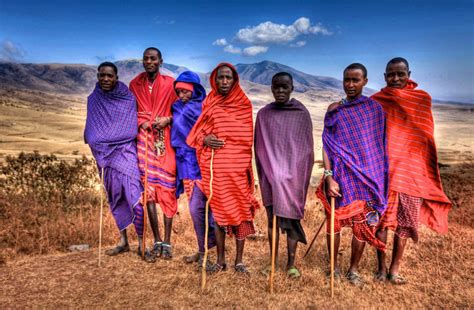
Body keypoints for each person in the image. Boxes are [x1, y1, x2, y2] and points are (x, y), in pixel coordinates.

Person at [371, 57, 451, 284]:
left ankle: (395, 269)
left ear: (409, 74)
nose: (395, 79)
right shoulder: (377, 100)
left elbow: (424, 136)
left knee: (405, 223)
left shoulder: (422, 99)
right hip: (384, 172)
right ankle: (381, 268)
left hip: (411, 172)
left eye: (400, 74)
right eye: (390, 74)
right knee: (382, 221)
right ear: (384, 76)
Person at [316, 63, 388, 286]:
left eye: (355, 80)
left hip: (366, 178)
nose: (350, 84)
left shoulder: (374, 110)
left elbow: (378, 146)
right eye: (346, 79)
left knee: (362, 223)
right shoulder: (334, 109)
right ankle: (333, 268)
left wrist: (377, 177)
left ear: (365, 81)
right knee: (334, 222)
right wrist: (329, 177)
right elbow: (326, 145)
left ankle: (353, 269)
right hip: (339, 176)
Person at [187, 63, 260, 274]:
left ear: (234, 79)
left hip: (237, 167)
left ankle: (239, 261)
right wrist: (205, 139)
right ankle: (220, 260)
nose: (225, 81)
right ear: (214, 80)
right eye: (221, 78)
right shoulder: (209, 102)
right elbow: (198, 133)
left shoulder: (243, 104)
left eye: (228, 77)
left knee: (241, 212)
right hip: (215, 168)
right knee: (219, 212)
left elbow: (246, 138)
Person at [84, 62, 150, 260]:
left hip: (125, 153)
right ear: (98, 76)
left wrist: (106, 138)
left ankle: (142, 243)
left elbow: (129, 129)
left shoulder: (126, 97)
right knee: (115, 198)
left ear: (116, 77)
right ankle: (123, 241)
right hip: (104, 157)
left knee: (135, 198)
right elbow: (91, 130)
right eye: (102, 75)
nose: (105, 79)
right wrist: (97, 141)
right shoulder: (93, 99)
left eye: (109, 76)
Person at [254, 72, 314, 279]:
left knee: (291, 222)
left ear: (292, 88)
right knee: (272, 220)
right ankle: (272, 262)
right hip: (271, 177)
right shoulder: (263, 115)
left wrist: (290, 174)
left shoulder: (301, 113)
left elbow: (305, 150)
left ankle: (290, 264)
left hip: (293, 178)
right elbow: (261, 150)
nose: (280, 91)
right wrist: (273, 174)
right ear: (271, 88)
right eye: (276, 87)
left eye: (284, 87)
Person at [129, 47, 178, 259]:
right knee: (148, 189)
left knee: (167, 188)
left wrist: (168, 120)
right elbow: (129, 112)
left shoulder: (170, 84)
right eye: (146, 59)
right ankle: (156, 239)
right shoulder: (135, 84)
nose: (149, 62)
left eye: (153, 59)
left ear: (160, 61)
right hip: (144, 141)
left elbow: (182, 110)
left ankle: (167, 241)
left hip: (165, 141)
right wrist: (143, 122)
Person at [170, 70, 216, 268]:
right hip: (184, 163)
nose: (182, 95)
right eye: (179, 91)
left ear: (195, 90)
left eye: (185, 91)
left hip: (200, 163)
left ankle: (212, 252)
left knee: (207, 207)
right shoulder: (176, 107)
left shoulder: (202, 108)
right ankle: (202, 249)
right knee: (194, 208)